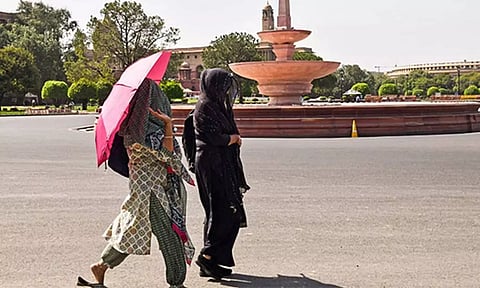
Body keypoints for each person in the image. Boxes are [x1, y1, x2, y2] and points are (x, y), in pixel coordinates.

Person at [77, 78, 195, 288]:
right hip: (151, 192)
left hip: (144, 189)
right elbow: (167, 154)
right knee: (169, 234)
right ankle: (177, 283)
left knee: (132, 230)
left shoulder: (134, 126)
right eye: (157, 98)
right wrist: (168, 123)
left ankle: (101, 265)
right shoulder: (145, 132)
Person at [193, 68, 250, 280]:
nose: (227, 90)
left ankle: (212, 261)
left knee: (224, 211)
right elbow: (213, 138)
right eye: (223, 85)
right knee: (223, 211)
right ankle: (207, 255)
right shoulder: (205, 106)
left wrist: (233, 138)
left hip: (220, 164)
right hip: (211, 164)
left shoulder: (217, 106)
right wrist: (232, 139)